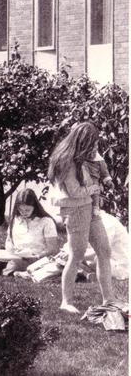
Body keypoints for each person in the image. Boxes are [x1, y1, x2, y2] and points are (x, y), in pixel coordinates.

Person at [47, 121, 115, 314]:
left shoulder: (80, 157)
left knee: (104, 250)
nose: (95, 146)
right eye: (92, 142)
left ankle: (109, 299)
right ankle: (66, 301)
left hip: (88, 208)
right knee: (76, 254)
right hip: (76, 210)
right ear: (83, 141)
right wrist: (94, 188)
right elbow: (75, 192)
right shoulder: (67, 161)